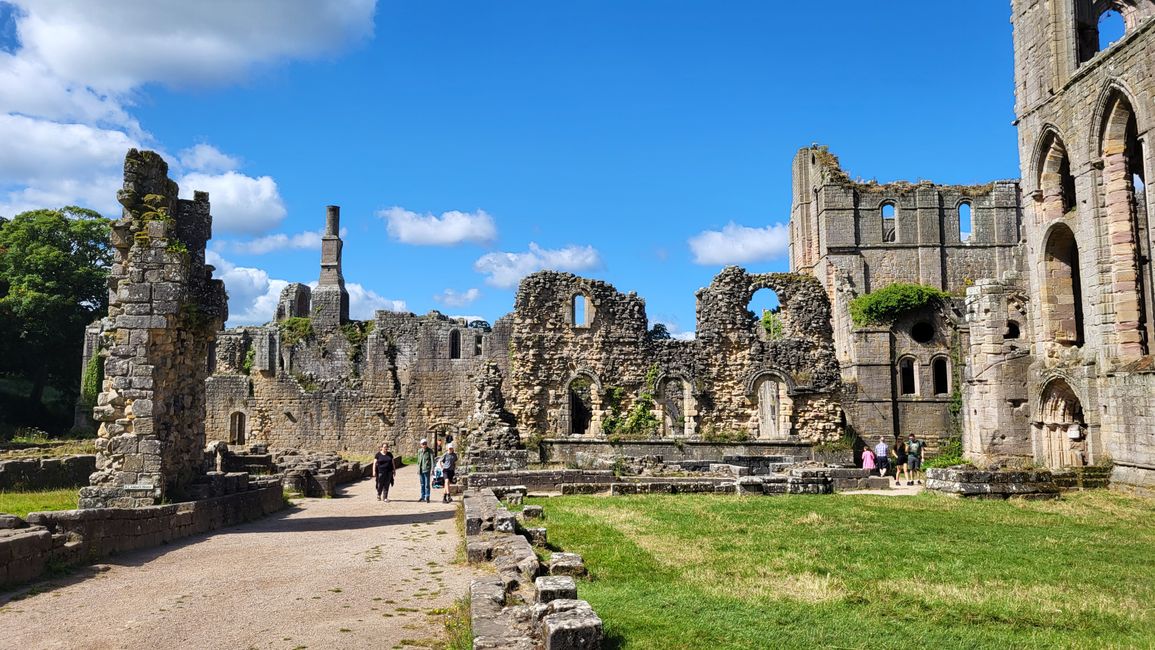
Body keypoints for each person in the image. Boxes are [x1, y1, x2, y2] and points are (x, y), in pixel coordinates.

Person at [417, 438, 435, 502]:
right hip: (421, 469)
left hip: (427, 469)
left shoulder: (430, 451)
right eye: (423, 444)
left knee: (427, 484)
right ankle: (422, 496)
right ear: (421, 445)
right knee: (422, 484)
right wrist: (418, 469)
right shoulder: (419, 451)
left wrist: (432, 469)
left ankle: (427, 496)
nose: (424, 445)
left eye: (425, 444)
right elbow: (418, 461)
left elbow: (433, 461)